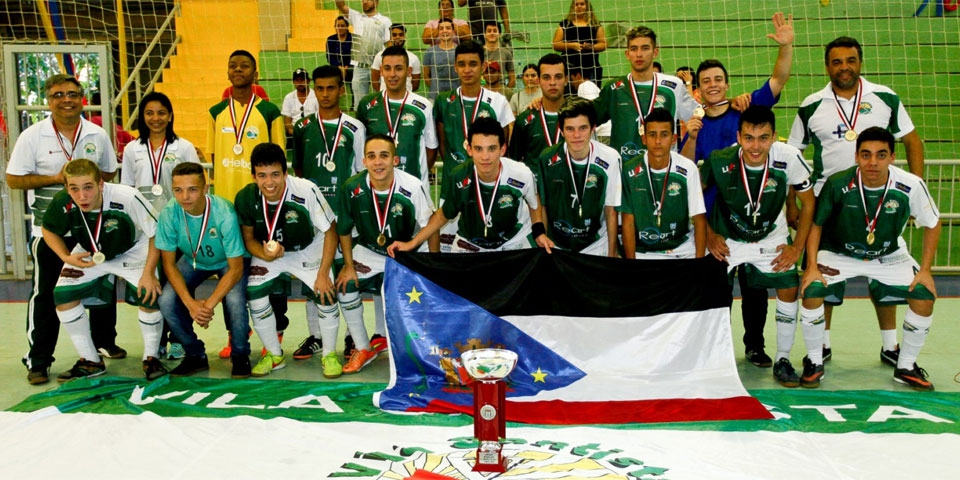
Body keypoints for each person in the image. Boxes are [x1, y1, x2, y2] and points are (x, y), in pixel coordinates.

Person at [788, 36, 925, 365]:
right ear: (827, 66)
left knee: (884, 270)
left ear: (859, 62)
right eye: (837, 61)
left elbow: (912, 140)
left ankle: (891, 346)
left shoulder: (885, 97)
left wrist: (916, 190)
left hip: (877, 203)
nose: (844, 67)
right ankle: (821, 345)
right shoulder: (811, 104)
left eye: (850, 60)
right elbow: (793, 154)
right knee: (822, 273)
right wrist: (791, 204)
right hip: (826, 203)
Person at [679, 12, 795, 369]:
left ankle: (755, 347)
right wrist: (691, 135)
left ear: (727, 84)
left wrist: (786, 45)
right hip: (718, 226)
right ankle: (717, 350)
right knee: (717, 291)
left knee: (755, 289)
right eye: (705, 81)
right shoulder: (694, 126)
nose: (713, 84)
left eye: (718, 79)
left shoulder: (748, 111)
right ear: (697, 89)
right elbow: (685, 174)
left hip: (755, 221)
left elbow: (779, 79)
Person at [799, 127, 939, 391]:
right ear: (856, 157)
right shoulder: (838, 183)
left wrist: (926, 270)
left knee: (923, 294)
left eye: (880, 155)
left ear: (892, 157)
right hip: (839, 252)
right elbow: (816, 225)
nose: (872, 162)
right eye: (866, 155)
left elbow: (932, 223)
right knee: (812, 289)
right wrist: (812, 266)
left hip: (888, 255)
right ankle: (814, 360)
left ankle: (906, 365)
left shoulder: (910, 184)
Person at [6, 74, 122, 385]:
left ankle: (102, 345)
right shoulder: (32, 136)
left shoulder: (97, 135)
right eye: (58, 94)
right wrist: (57, 179)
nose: (65, 99)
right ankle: (39, 360)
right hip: (51, 231)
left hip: (92, 230)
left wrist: (87, 182)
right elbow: (14, 179)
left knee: (101, 288)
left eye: (72, 93)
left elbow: (109, 171)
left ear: (82, 97)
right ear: (48, 100)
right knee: (45, 295)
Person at [701, 106, 815, 388]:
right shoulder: (720, 160)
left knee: (788, 287)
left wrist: (797, 247)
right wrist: (709, 235)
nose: (755, 146)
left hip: (770, 236)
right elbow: (694, 195)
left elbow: (809, 202)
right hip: (728, 237)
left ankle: (783, 359)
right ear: (739, 136)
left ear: (774, 136)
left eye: (763, 138)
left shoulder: (789, 159)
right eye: (749, 137)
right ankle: (714, 356)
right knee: (712, 291)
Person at [42, 160, 165, 382]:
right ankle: (91, 361)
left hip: (134, 250)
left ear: (101, 184)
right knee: (62, 295)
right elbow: (48, 229)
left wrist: (148, 273)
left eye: (88, 187)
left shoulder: (127, 197)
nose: (82, 196)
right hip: (91, 253)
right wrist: (65, 256)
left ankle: (151, 358)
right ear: (66, 188)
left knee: (149, 293)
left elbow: (155, 233)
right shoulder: (63, 201)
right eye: (74, 188)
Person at [332, 135, 436, 377]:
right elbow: (344, 230)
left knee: (418, 296)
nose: (378, 162)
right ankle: (362, 347)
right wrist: (348, 265)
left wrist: (433, 262)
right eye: (371, 156)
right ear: (363, 161)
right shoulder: (351, 187)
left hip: (406, 252)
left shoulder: (412, 186)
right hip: (369, 249)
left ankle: (416, 350)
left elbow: (431, 225)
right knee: (345, 284)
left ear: (395, 160)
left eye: (384, 155)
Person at [206, 49, 287, 359]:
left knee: (270, 265)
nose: (238, 69)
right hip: (227, 207)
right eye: (233, 65)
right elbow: (214, 160)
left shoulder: (269, 112)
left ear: (256, 74)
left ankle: (276, 333)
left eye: (245, 66)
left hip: (264, 202)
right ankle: (235, 333)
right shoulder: (215, 112)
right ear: (227, 72)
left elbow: (279, 158)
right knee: (230, 272)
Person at [235, 143, 339, 377]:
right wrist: (264, 255)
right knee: (254, 293)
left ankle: (329, 353)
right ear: (253, 176)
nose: (269, 182)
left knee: (326, 293)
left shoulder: (306, 189)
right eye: (261, 176)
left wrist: (323, 273)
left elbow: (330, 230)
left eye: (275, 174)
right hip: (271, 253)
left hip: (309, 248)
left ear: (285, 172)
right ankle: (274, 354)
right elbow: (249, 239)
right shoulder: (245, 197)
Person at [290, 65, 366, 360]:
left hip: (345, 216)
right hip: (313, 218)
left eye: (330, 88)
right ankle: (316, 336)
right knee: (314, 277)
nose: (325, 94)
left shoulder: (355, 127)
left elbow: (361, 171)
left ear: (341, 90)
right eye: (319, 88)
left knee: (346, 276)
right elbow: (298, 170)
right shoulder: (302, 127)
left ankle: (349, 336)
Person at [389, 117, 540, 255]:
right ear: (469, 149)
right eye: (478, 149)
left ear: (503, 149)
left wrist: (540, 233)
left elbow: (534, 204)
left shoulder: (521, 174)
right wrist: (411, 243)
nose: (485, 157)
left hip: (514, 241)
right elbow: (443, 215)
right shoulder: (459, 176)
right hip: (471, 243)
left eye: (492, 149)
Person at [157, 162, 251, 378]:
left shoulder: (224, 213)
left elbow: (236, 269)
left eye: (192, 189)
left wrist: (207, 305)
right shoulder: (169, 213)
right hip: (193, 260)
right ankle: (195, 354)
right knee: (166, 300)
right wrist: (192, 305)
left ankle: (240, 355)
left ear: (206, 189)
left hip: (228, 261)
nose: (185, 197)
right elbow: (169, 264)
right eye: (178, 190)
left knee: (235, 300)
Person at [594, 26, 698, 160]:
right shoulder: (613, 89)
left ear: (655, 52)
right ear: (627, 54)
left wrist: (730, 103)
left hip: (663, 170)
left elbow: (698, 116)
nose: (639, 54)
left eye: (645, 48)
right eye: (633, 49)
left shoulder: (673, 86)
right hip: (624, 171)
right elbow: (586, 118)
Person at [534, 98, 620, 256]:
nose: (576, 135)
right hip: (557, 245)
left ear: (593, 128)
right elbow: (543, 205)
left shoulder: (610, 158)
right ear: (561, 130)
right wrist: (543, 247)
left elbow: (611, 210)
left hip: (596, 244)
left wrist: (612, 253)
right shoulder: (547, 159)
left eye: (583, 128)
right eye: (570, 129)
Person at [620, 108, 706, 259]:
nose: (658, 141)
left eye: (664, 135)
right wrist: (631, 266)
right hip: (643, 251)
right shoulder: (629, 171)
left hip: (681, 248)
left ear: (673, 139)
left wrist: (698, 265)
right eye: (652, 135)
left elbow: (699, 219)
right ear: (644, 139)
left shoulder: (688, 168)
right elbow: (628, 222)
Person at [357, 45, 438, 187]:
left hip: (414, 187)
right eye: (387, 68)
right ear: (381, 71)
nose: (392, 74)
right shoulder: (367, 104)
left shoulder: (424, 106)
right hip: (377, 187)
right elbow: (360, 148)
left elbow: (431, 150)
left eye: (399, 68)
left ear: (409, 71)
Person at [509, 54, 565, 169]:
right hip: (535, 186)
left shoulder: (578, 117)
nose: (552, 82)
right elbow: (515, 161)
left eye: (558, 77)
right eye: (546, 77)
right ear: (539, 81)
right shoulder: (524, 120)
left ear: (566, 80)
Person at [336, 0, 392, 111]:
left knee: (381, 102)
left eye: (368, 0)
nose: (364, 2)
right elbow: (340, 4)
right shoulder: (356, 17)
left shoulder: (385, 21)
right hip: (359, 67)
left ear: (376, 2)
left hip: (377, 68)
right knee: (359, 104)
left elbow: (389, 43)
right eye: (363, 0)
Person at [552, 0, 606, 83]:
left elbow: (603, 44)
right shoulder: (565, 24)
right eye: (576, 4)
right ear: (572, 7)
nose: (579, 6)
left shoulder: (595, 24)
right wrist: (572, 45)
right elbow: (555, 44)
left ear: (587, 6)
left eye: (582, 4)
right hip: (569, 67)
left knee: (591, 95)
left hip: (591, 67)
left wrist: (591, 47)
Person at [371, 24, 422, 94]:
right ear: (390, 37)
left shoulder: (414, 58)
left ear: (405, 37)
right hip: (384, 99)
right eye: (394, 35)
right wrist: (382, 94)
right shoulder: (380, 56)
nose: (398, 37)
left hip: (405, 99)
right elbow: (374, 80)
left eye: (401, 35)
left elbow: (415, 84)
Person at [569, 66, 610, 144]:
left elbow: (591, 109)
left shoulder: (584, 86)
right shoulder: (591, 85)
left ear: (578, 75)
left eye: (572, 79)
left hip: (602, 134)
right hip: (605, 132)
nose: (572, 83)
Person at [423, 17, 461, 101]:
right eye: (441, 28)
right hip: (435, 98)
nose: (445, 31)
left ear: (453, 31)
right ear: (438, 32)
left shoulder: (460, 51)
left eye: (448, 28)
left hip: (456, 97)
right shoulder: (430, 52)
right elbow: (426, 76)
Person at [281, 68, 320, 138]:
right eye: (297, 80)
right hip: (294, 134)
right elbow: (287, 123)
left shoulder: (316, 96)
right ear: (293, 82)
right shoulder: (288, 97)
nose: (300, 83)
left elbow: (320, 119)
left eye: (302, 80)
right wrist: (296, 132)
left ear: (308, 81)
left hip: (314, 133)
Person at [326, 15, 354, 110]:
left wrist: (346, 66)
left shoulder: (353, 38)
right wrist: (339, 67)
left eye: (342, 25)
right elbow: (329, 57)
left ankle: (354, 103)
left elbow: (355, 55)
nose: (340, 28)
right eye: (338, 25)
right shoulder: (330, 39)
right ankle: (334, 102)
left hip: (350, 66)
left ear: (347, 26)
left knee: (353, 73)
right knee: (331, 75)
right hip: (336, 67)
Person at [481, 22, 515, 94]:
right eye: (489, 31)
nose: (492, 33)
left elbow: (512, 78)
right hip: (483, 91)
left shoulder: (506, 53)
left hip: (500, 90)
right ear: (484, 34)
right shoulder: (478, 53)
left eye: (495, 31)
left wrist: (506, 92)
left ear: (499, 34)